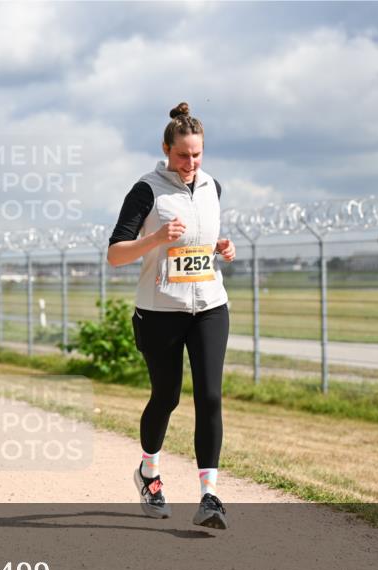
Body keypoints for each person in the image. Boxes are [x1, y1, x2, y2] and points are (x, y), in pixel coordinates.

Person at [107, 102, 237, 530]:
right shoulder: (147, 190)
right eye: (183, 155)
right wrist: (157, 237)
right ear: (166, 149)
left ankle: (209, 496)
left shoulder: (211, 187)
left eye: (197, 154)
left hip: (209, 307)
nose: (190, 163)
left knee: (211, 397)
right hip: (160, 311)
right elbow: (114, 255)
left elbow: (201, 241)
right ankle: (149, 472)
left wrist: (222, 248)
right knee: (166, 397)